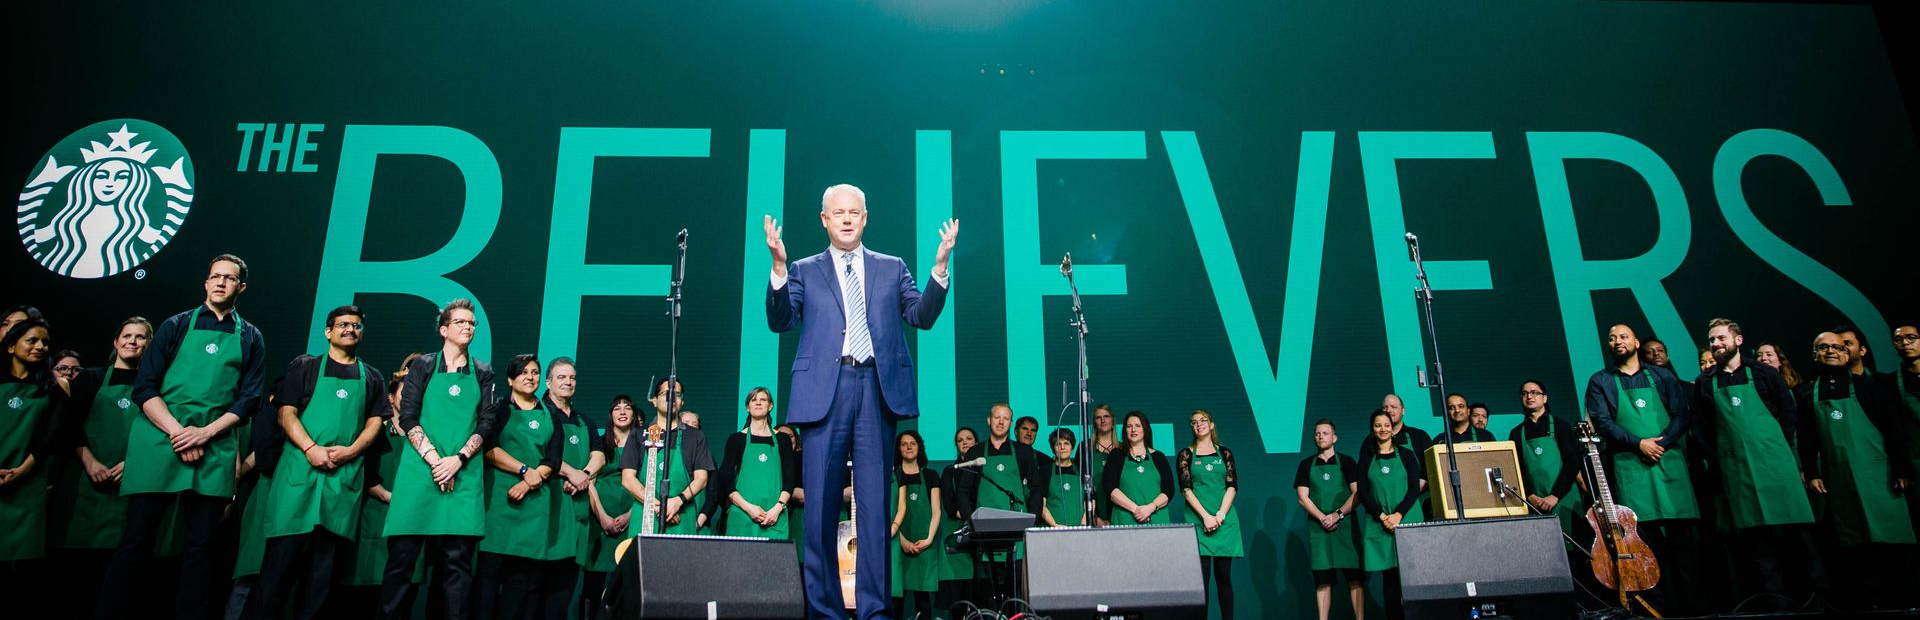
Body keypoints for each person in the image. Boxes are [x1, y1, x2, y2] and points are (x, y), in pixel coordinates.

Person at [762, 183, 957, 620]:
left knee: (873, 510)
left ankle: (873, 611)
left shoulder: (892, 267)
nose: (847, 219)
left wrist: (939, 269)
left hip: (875, 388)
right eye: (839, 212)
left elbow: (920, 316)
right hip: (823, 393)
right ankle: (824, 610)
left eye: (855, 212)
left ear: (865, 218)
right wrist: (777, 268)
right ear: (824, 219)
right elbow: (781, 321)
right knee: (819, 513)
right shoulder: (803, 269)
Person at [99, 254, 267, 620]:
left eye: (229, 278)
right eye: (214, 277)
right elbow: (145, 388)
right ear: (206, 283)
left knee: (201, 546)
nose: (221, 283)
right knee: (136, 540)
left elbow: (250, 398)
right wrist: (180, 433)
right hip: (162, 436)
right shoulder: (175, 326)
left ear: (242, 287)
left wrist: (204, 434)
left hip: (215, 440)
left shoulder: (251, 336)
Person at [249, 305, 389, 620]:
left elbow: (376, 422)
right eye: (343, 324)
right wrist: (310, 448)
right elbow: (286, 413)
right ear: (328, 331)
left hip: (339, 488)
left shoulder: (373, 377)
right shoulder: (305, 368)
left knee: (320, 585)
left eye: (356, 325)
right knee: (275, 576)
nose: (350, 329)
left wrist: (352, 451)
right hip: (299, 482)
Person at [1691, 318, 1822, 607]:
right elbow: (1701, 430)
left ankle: (1813, 601)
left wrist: (1776, 448)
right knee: (1757, 544)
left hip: (1776, 466)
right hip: (1736, 471)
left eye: (1721, 338)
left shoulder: (1763, 373)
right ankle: (1775, 604)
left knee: (1796, 536)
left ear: (1738, 340)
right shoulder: (1705, 382)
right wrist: (1721, 457)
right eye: (1712, 340)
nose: (1716, 344)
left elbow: (1788, 414)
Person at [382, 299, 498, 620]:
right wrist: (436, 461)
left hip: (463, 474)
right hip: (421, 473)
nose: (467, 327)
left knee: (457, 567)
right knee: (402, 562)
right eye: (460, 322)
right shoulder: (423, 366)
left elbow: (486, 423)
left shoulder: (484, 372)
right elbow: (408, 417)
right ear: (444, 330)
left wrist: (457, 460)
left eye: (472, 323)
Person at [1586, 324, 1702, 612]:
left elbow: (1681, 414)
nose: (1617, 341)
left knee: (1684, 546)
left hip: (1668, 464)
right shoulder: (1601, 381)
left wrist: (1660, 443)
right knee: (1644, 546)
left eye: (1623, 337)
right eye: (1612, 338)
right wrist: (1639, 444)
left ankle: (1692, 609)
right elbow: (1602, 422)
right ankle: (1656, 610)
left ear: (1636, 343)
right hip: (1631, 467)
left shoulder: (1662, 376)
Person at [1798, 332, 1914, 610]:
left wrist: (1901, 468)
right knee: (1854, 544)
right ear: (1814, 354)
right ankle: (1870, 603)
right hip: (1838, 479)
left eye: (1837, 347)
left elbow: (1894, 430)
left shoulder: (1869, 388)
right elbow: (1806, 438)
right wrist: (1812, 472)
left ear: (1848, 354)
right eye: (1823, 347)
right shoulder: (1807, 393)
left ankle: (1906, 601)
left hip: (1878, 474)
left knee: (1891, 538)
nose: (1831, 351)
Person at [48, 317, 150, 602]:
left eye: (140, 337)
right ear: (116, 342)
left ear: (149, 345)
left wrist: (132, 465)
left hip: (128, 487)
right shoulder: (90, 378)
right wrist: (91, 462)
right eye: (127, 335)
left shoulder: (155, 389)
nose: (132, 341)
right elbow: (68, 426)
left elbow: (157, 436)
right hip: (83, 485)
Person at [474, 355, 564, 620]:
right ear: (510, 379)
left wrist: (529, 482)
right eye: (523, 372)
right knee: (488, 575)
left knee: (520, 579)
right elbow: (488, 449)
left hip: (534, 504)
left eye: (535, 372)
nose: (530, 377)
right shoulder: (498, 408)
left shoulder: (551, 415)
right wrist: (524, 471)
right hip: (498, 502)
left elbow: (553, 459)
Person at [0, 318, 70, 600]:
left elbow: (50, 439)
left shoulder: (53, 388)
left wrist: (23, 470)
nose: (41, 347)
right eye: (32, 341)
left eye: (45, 343)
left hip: (28, 485)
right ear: (11, 346)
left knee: (21, 574)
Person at [620, 377, 715, 535]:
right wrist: (659, 507)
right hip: (646, 514)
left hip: (682, 515)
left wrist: (677, 502)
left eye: (677, 394)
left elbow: (702, 479)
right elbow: (627, 479)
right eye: (665, 393)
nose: (671, 397)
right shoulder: (639, 434)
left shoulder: (695, 436)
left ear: (682, 402)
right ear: (655, 401)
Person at [544, 357, 600, 619]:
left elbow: (598, 455)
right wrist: (570, 473)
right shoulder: (540, 413)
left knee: (564, 588)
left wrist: (584, 476)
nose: (568, 382)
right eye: (562, 377)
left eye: (572, 378)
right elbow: (537, 452)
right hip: (549, 504)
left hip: (577, 510)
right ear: (548, 382)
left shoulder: (584, 421)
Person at [1358, 408, 1425, 620]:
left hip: (1406, 520)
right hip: (1381, 525)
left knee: (1412, 576)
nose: (1383, 429)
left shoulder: (1406, 454)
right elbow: (1362, 491)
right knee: (1390, 580)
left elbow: (1414, 488)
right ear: (1372, 430)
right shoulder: (1367, 457)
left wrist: (1397, 515)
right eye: (1378, 425)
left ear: (1392, 428)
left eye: (1386, 425)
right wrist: (1382, 516)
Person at [1295, 420, 1362, 620]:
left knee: (1355, 579)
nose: (1321, 436)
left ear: (1335, 437)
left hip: (1346, 526)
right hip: (1319, 529)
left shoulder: (1348, 462)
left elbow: (1358, 493)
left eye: (1325, 433)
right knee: (1322, 580)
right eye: (1317, 434)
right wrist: (1323, 517)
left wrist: (1337, 515)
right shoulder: (1306, 464)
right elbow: (1302, 497)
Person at [1179, 410, 1241, 620]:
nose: (1199, 425)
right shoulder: (1186, 455)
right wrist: (1205, 517)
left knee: (1224, 577)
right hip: (1198, 522)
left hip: (1224, 522)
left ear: (1212, 425)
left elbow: (1231, 486)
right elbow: (1186, 489)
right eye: (1194, 422)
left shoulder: (1225, 453)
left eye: (1203, 420)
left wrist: (1219, 516)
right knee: (1201, 582)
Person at [714, 387, 798, 539]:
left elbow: (790, 478)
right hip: (742, 515)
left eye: (763, 399)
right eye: (754, 400)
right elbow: (725, 478)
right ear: (747, 407)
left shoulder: (783, 440)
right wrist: (748, 508)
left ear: (770, 406)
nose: (758, 403)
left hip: (775, 517)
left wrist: (778, 507)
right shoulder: (736, 439)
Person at [582, 394, 635, 618]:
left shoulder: (644, 445)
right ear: (610, 415)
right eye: (617, 408)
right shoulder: (600, 443)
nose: (622, 412)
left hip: (630, 522)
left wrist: (630, 515)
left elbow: (648, 483)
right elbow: (589, 483)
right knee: (593, 583)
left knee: (624, 582)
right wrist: (602, 516)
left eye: (627, 408)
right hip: (599, 523)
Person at [1509, 381, 1584, 536]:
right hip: (1534, 502)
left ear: (1545, 398)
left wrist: (1554, 496)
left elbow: (1572, 463)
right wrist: (1530, 495)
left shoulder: (1560, 426)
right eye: (1524, 393)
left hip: (1564, 498)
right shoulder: (1516, 433)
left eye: (1534, 392)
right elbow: (1517, 469)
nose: (1529, 396)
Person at [889, 430, 942, 620]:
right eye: (904, 444)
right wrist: (901, 541)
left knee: (923, 600)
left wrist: (928, 540)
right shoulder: (892, 475)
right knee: (896, 600)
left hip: (924, 545)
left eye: (913, 443)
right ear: (898, 449)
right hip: (897, 543)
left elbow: (936, 512)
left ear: (919, 447)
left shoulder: (930, 475)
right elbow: (890, 511)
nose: (909, 447)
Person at [1100, 411, 1175, 526]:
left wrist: (1151, 508)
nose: (1133, 430)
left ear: (1145, 429)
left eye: (1138, 426)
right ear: (1125, 430)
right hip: (1125, 521)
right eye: (1129, 426)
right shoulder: (1116, 455)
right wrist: (1136, 510)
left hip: (1157, 521)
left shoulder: (1159, 457)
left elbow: (1168, 490)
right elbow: (1110, 488)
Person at [936, 427, 977, 606]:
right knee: (957, 596)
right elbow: (948, 502)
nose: (965, 442)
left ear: (976, 443)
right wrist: (965, 514)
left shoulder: (985, 467)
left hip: (981, 530)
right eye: (960, 440)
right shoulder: (949, 471)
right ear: (956, 445)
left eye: (969, 439)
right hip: (957, 529)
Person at [1041, 428, 1086, 528]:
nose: (1062, 447)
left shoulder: (1082, 471)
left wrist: (1083, 525)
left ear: (1072, 447)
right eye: (1058, 444)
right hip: (1051, 530)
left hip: (1079, 530)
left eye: (1066, 443)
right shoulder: (1045, 472)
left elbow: (1089, 502)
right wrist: (1054, 525)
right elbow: (1041, 505)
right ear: (1053, 448)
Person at [1086, 404, 1118, 526]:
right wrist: (1094, 516)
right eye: (1098, 417)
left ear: (1113, 420)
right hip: (1094, 513)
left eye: (1106, 416)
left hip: (1119, 514)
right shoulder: (1085, 448)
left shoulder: (1123, 449)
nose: (1103, 420)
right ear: (1094, 422)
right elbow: (1080, 485)